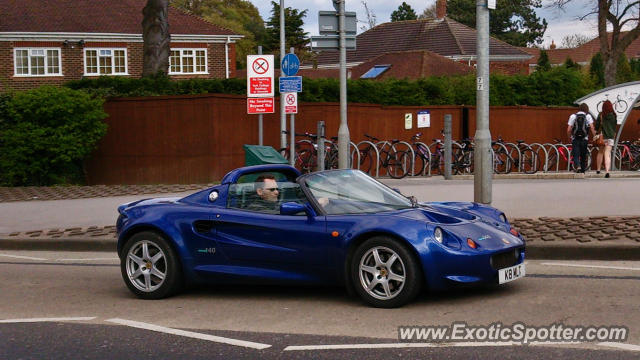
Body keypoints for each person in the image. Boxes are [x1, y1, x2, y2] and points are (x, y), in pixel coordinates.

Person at [567, 103, 595, 173]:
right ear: (586, 109)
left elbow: (569, 129)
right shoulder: (588, 116)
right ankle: (583, 170)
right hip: (584, 139)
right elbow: (592, 127)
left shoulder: (573, 116)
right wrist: (595, 136)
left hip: (575, 138)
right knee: (583, 155)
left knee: (576, 155)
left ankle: (578, 166)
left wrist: (570, 137)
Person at [594, 100, 617, 178]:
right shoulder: (614, 115)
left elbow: (597, 126)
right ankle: (607, 171)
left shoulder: (601, 115)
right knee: (607, 154)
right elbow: (614, 127)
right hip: (610, 137)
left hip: (602, 137)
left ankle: (598, 170)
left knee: (600, 152)